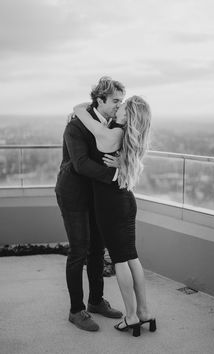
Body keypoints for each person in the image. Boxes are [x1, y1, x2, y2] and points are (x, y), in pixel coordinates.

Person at [73, 84, 156, 337]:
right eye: (117, 103)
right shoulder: (134, 137)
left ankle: (131, 317)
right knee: (132, 258)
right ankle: (144, 313)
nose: (118, 107)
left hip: (110, 204)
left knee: (120, 260)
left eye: (123, 106)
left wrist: (84, 109)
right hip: (126, 201)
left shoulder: (111, 136)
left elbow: (79, 110)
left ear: (127, 115)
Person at [55, 77, 126, 332]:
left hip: (96, 194)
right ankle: (76, 311)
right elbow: (81, 164)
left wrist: (123, 164)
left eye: (121, 100)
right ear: (100, 100)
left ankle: (96, 301)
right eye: (116, 100)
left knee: (97, 249)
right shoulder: (75, 126)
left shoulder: (112, 124)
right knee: (79, 250)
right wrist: (114, 175)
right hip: (72, 194)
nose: (120, 105)